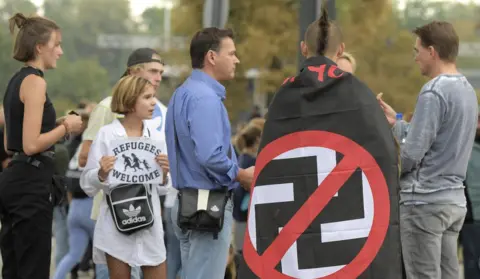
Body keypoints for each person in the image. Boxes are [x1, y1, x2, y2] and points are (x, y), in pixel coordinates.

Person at [377, 21, 478, 279]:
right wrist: (397, 123)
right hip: (453, 202)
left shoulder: (433, 91)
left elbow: (411, 154)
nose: (415, 58)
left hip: (423, 203)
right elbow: (437, 139)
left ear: (432, 52)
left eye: (417, 51)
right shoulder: (467, 91)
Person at [165, 27, 254, 279]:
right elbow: (210, 156)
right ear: (212, 57)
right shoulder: (205, 99)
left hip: (188, 204)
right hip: (207, 207)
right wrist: (240, 174)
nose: (236, 59)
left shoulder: (182, 93)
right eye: (232, 53)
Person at [0, 13, 83, 279]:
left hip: (14, 180)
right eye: (56, 44)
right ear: (39, 47)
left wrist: (54, 125)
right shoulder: (36, 82)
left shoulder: (15, 81)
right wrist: (66, 127)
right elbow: (31, 143)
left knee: (14, 267)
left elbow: (10, 142)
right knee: (33, 269)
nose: (60, 51)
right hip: (30, 185)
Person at [78, 47, 171, 279]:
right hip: (115, 224)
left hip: (150, 223)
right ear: (130, 102)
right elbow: (87, 184)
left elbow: (163, 187)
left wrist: (165, 173)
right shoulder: (107, 135)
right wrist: (100, 173)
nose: (153, 103)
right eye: (147, 98)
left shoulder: (157, 135)